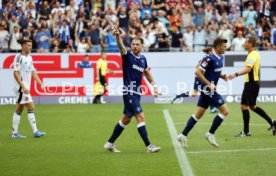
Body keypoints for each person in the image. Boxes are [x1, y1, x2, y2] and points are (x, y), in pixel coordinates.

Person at [103, 27, 161, 153]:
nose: (134, 46)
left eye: (137, 44)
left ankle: (109, 143)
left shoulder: (143, 59)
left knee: (126, 119)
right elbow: (121, 46)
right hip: (129, 92)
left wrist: (154, 86)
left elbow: (147, 73)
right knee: (140, 116)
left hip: (137, 92)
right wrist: (118, 36)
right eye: (133, 44)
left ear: (142, 46)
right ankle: (149, 146)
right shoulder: (127, 56)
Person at [177, 38, 229, 148]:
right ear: (218, 47)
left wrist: (222, 76)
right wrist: (209, 84)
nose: (225, 48)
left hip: (209, 90)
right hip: (208, 90)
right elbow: (197, 72)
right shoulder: (209, 58)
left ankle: (183, 135)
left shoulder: (221, 57)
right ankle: (210, 134)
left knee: (198, 114)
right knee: (225, 111)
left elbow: (214, 71)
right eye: (224, 46)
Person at [228, 36, 276, 136]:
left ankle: (246, 132)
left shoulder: (252, 55)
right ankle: (272, 122)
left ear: (251, 44)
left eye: (246, 42)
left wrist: (235, 74)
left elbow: (248, 69)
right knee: (252, 106)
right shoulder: (254, 54)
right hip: (254, 83)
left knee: (244, 106)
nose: (244, 44)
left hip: (251, 84)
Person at [11, 39, 46, 138]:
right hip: (21, 88)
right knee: (31, 107)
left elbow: (33, 72)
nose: (30, 47)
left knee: (19, 109)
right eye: (28, 45)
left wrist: (41, 84)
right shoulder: (18, 57)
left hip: (24, 87)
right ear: (23, 46)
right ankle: (35, 132)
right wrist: (22, 86)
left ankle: (14, 133)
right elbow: (15, 73)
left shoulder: (30, 57)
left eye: (31, 45)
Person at [171, 47, 218, 113]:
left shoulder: (208, 57)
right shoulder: (207, 58)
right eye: (213, 50)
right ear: (210, 51)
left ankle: (212, 108)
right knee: (201, 92)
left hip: (202, 78)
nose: (213, 52)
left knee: (205, 91)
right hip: (199, 78)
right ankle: (212, 108)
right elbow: (197, 67)